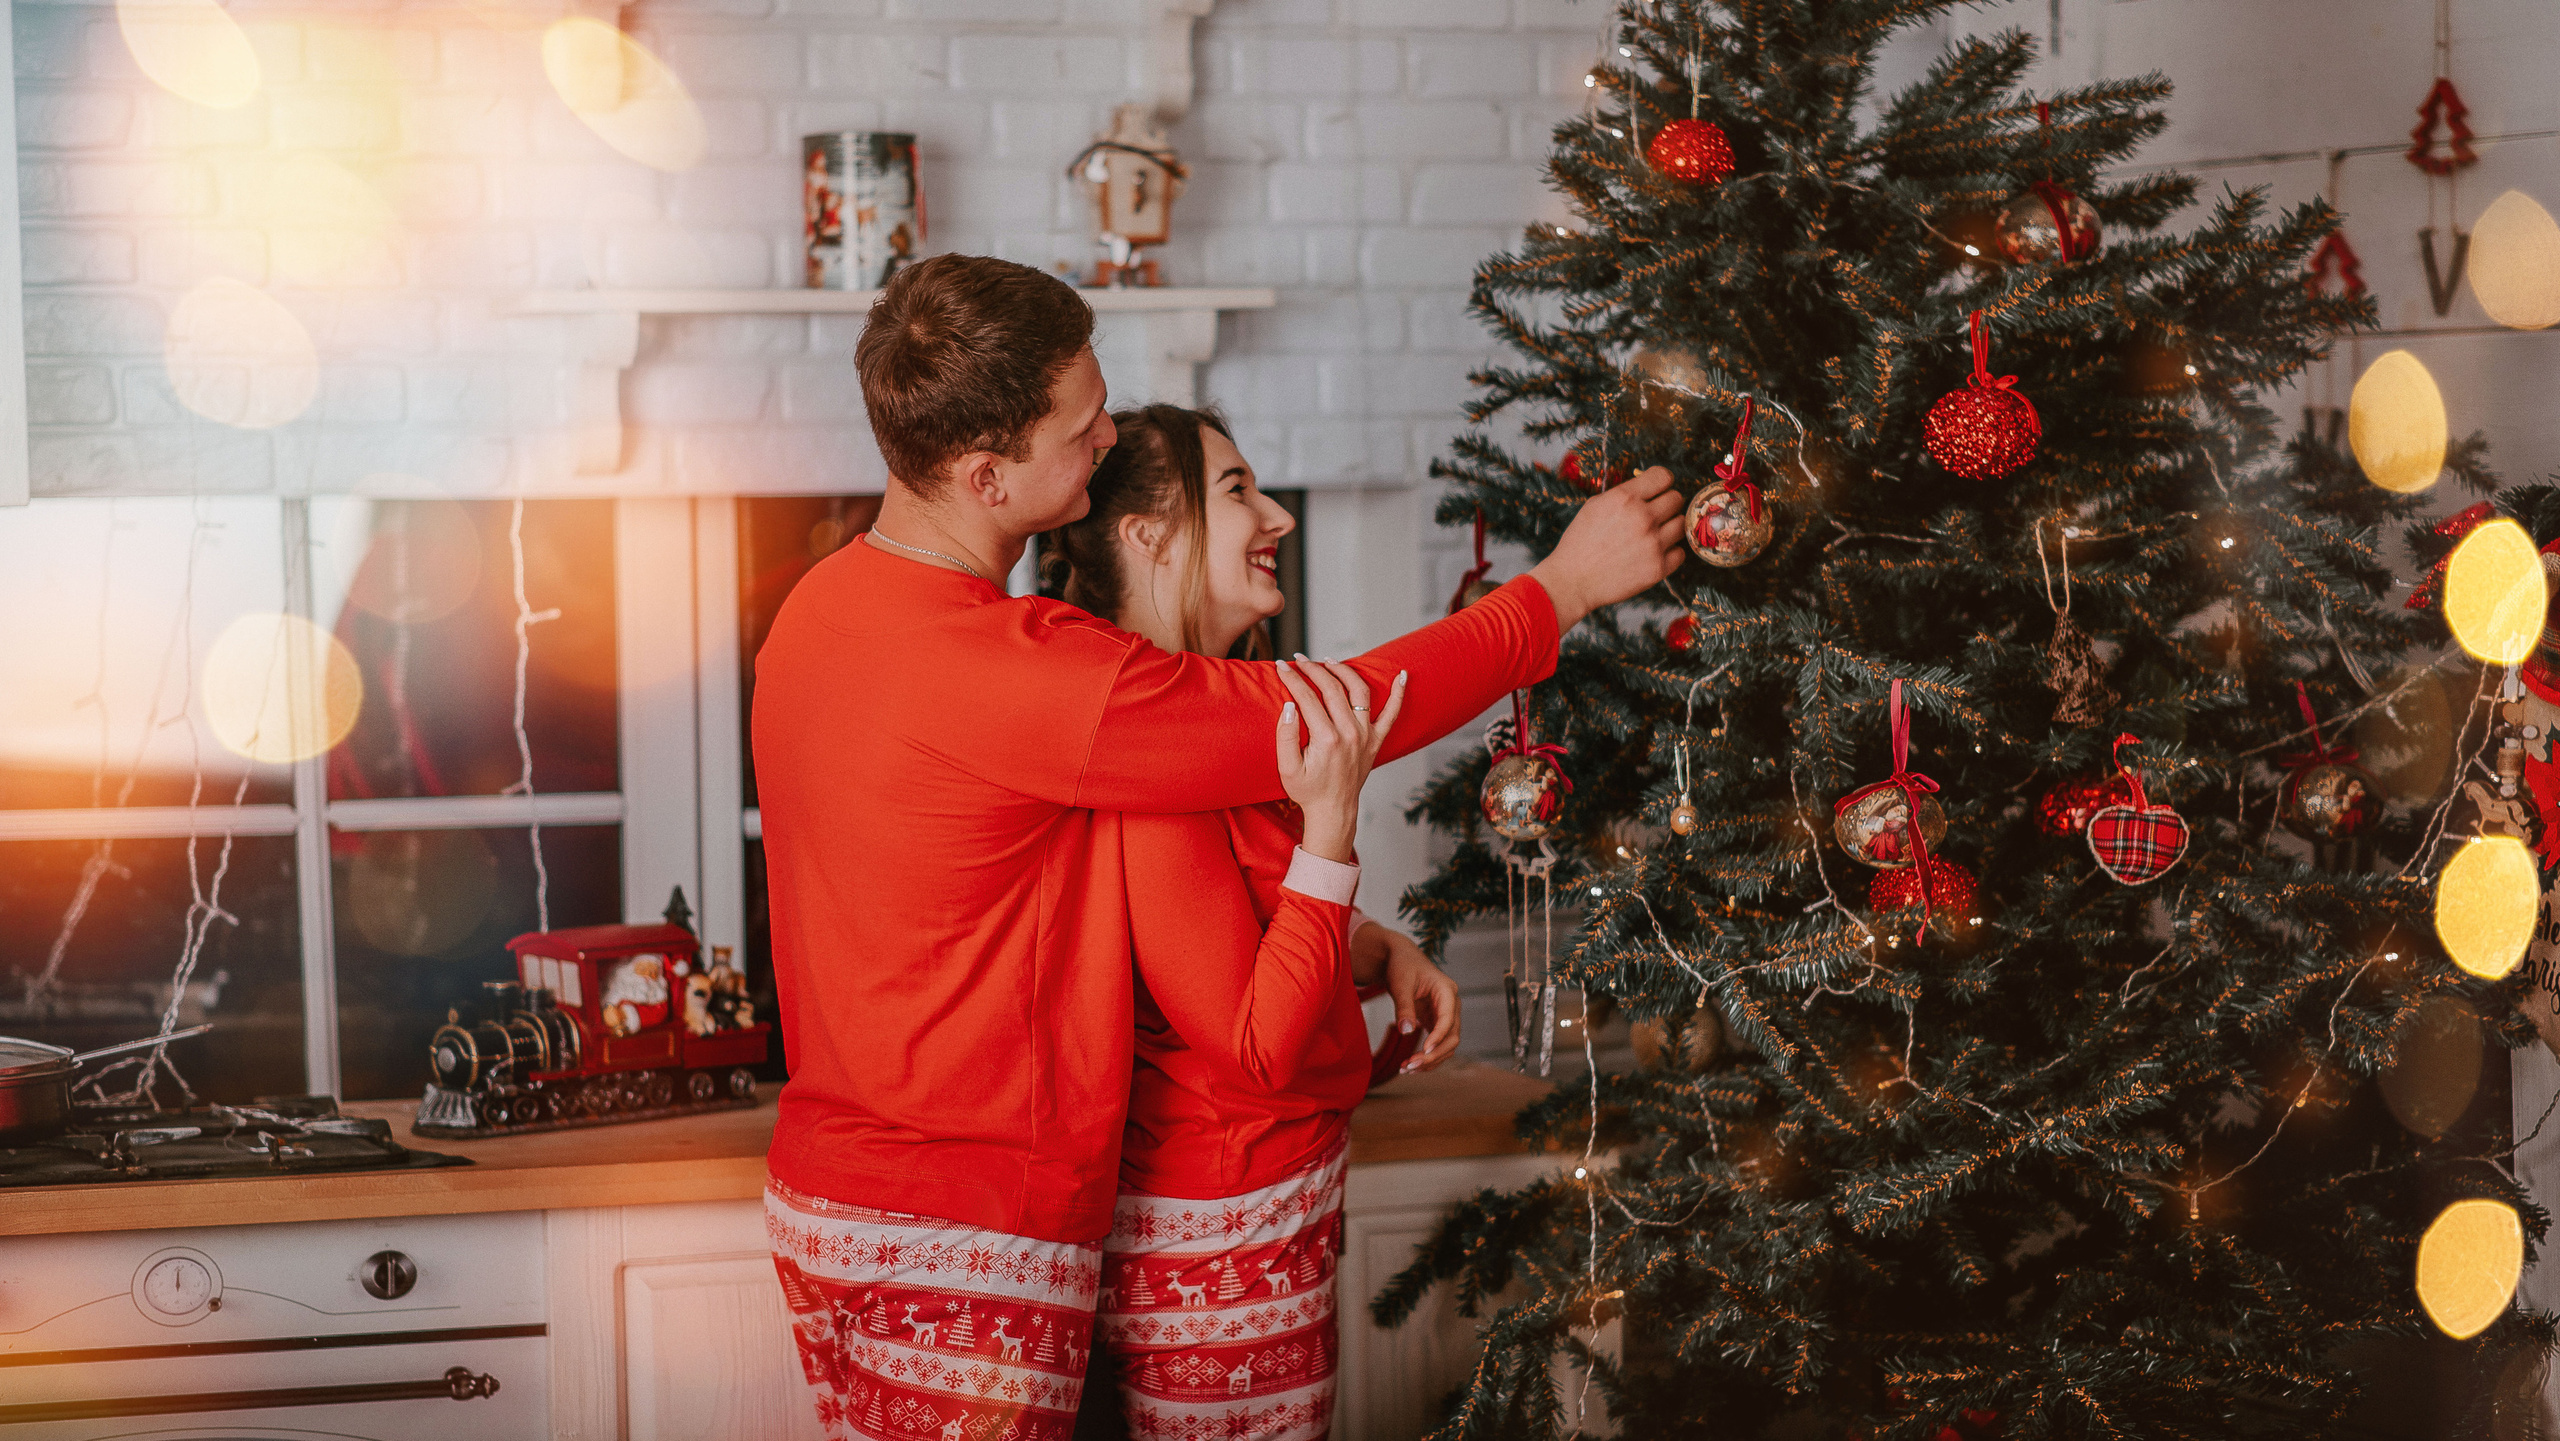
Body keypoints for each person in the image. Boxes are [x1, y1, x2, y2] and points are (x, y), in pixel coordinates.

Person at [756, 254, 1685, 1441]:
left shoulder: (817, 613)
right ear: (985, 475)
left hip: (838, 1192)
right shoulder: (1021, 669)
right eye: (1079, 430)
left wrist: (1349, 938)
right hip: (967, 1226)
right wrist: (1557, 591)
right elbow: (1337, 711)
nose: (1103, 439)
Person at [1050, 404, 1455, 1440]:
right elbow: (1256, 1046)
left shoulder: (1222, 715)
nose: (1275, 513)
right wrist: (1332, 824)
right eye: (1235, 490)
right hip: (1216, 1239)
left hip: (1272, 1217)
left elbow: (1255, 916)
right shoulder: (1149, 757)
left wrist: (1381, 950)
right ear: (1149, 534)